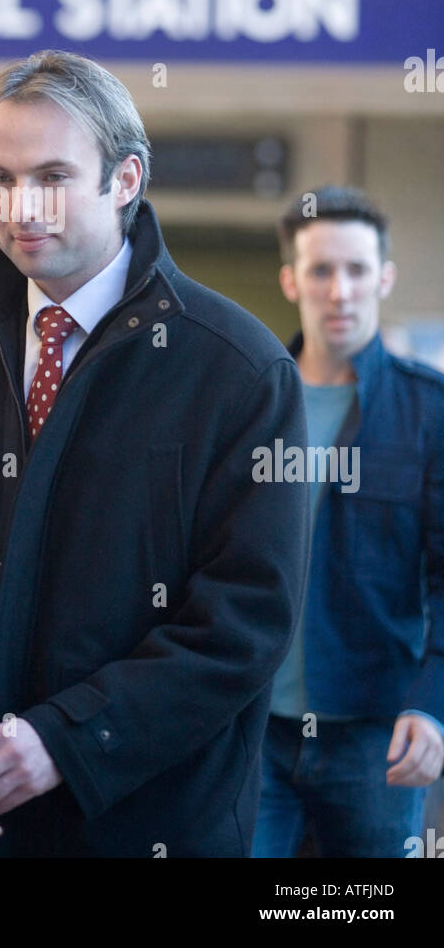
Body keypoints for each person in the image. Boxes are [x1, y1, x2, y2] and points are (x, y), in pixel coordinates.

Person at [0, 50, 309, 857]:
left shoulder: (239, 368)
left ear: (126, 180)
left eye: (54, 176)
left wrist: (65, 739)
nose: (22, 206)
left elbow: (245, 623)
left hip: (156, 824)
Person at [252, 185, 444, 858]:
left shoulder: (431, 413)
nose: (340, 291)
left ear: (384, 277)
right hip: (251, 729)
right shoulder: (249, 404)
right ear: (290, 279)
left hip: (375, 735)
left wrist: (432, 705)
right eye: (321, 270)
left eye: (357, 270)